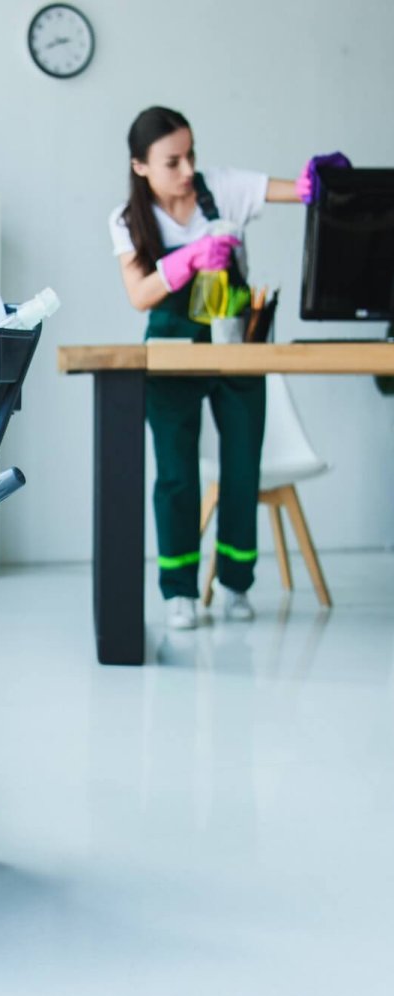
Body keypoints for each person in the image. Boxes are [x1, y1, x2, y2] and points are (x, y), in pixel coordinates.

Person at [108, 105, 346, 630]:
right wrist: (186, 260)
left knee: (243, 465)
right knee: (175, 473)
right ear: (141, 166)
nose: (187, 169)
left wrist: (317, 181)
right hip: (171, 348)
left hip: (238, 343)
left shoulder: (223, 188)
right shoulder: (128, 220)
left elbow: (297, 192)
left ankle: (237, 583)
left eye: (191, 154)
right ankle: (179, 591)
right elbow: (140, 294)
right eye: (172, 161)